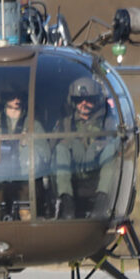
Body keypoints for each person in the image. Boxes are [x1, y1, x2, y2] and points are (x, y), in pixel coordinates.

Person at [53, 76, 118, 219]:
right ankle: (66, 203)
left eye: (89, 100)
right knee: (61, 150)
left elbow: (116, 143)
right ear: (73, 102)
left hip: (97, 168)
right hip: (74, 169)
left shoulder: (107, 121)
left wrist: (98, 147)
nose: (84, 104)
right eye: (79, 100)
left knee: (112, 151)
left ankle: (101, 204)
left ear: (96, 100)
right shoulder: (65, 123)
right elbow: (52, 147)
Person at [0, 81, 48, 221]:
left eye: (20, 96)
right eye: (12, 96)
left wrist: (28, 146)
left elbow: (45, 153)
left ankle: (26, 209)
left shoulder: (32, 124)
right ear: (4, 98)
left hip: (24, 177)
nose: (17, 100)